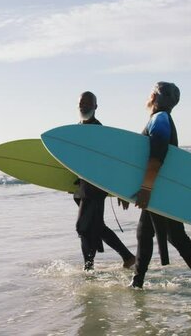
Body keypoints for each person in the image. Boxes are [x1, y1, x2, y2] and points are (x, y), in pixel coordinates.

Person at [122, 82, 191, 295]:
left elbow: (156, 157)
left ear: (155, 97)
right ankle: (138, 283)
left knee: (175, 236)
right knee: (145, 234)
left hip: (159, 190)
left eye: (150, 93)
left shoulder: (160, 119)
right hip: (160, 188)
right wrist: (123, 189)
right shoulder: (161, 118)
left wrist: (146, 189)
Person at [74, 91, 136, 271]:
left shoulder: (99, 131)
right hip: (82, 186)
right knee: (96, 226)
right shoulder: (76, 129)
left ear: (95, 107)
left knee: (83, 227)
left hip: (95, 187)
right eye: (81, 103)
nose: (83, 106)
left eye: (87, 103)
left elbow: (111, 162)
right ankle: (128, 257)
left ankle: (88, 267)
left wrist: (120, 189)